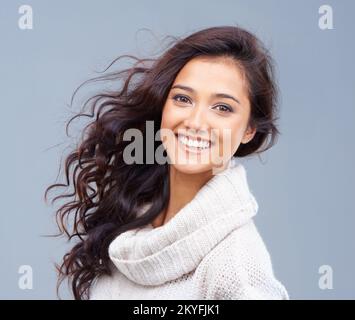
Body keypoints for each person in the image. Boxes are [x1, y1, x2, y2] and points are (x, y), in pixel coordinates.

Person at [45, 25, 289, 300]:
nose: (195, 122)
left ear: (249, 130)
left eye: (222, 108)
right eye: (183, 99)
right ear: (163, 106)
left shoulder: (237, 265)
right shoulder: (133, 213)